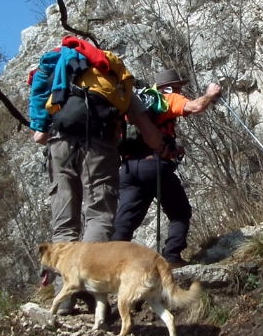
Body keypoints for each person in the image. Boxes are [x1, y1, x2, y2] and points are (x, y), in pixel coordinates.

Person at [28, 35, 163, 251]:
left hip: (60, 144)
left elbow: (39, 137)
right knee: (99, 216)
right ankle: (90, 281)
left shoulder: (58, 83)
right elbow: (149, 132)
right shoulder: (114, 81)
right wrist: (160, 146)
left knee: (64, 226)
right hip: (99, 145)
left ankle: (68, 283)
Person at [111, 69, 222, 268]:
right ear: (171, 87)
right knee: (180, 212)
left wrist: (172, 147)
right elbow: (196, 107)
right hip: (152, 165)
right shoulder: (167, 98)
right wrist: (211, 94)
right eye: (179, 87)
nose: (181, 91)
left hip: (127, 170)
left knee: (124, 223)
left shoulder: (133, 104)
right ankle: (171, 257)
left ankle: (110, 266)